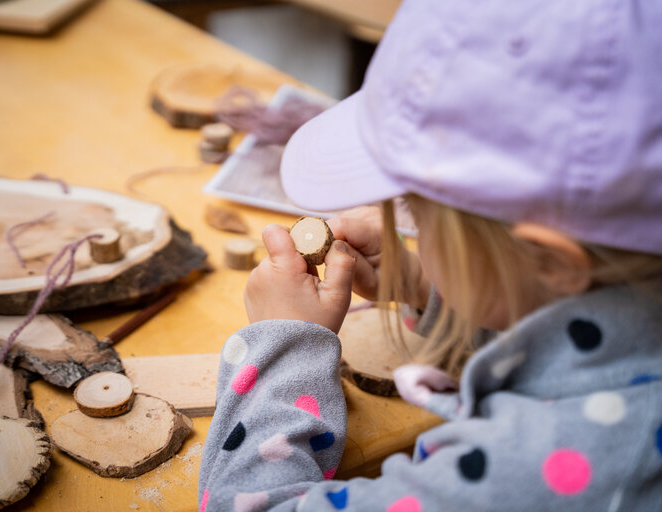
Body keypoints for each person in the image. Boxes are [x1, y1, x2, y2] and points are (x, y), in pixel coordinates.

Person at [199, 0, 662, 510]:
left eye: (422, 219)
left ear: (551, 261)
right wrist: (424, 285)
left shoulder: (530, 469)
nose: (413, 233)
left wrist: (283, 348)